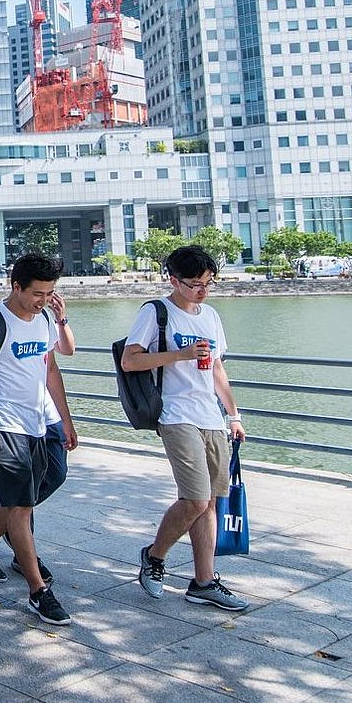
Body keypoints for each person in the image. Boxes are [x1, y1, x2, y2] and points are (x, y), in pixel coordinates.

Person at [120, 245, 250, 611]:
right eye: (194, 284)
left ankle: (204, 581)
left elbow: (218, 370)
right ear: (173, 280)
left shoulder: (210, 315)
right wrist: (180, 355)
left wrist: (233, 414)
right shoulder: (156, 312)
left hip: (211, 415)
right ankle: (155, 555)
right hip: (175, 414)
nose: (202, 291)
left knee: (209, 502)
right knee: (194, 498)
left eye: (208, 283)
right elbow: (131, 361)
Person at [0, 254, 79, 624]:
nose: (43, 300)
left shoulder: (44, 318)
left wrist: (66, 419)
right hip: (4, 424)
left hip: (40, 422)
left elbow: (50, 368)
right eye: (36, 293)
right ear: (16, 287)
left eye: (49, 292)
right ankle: (38, 590)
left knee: (51, 479)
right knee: (22, 507)